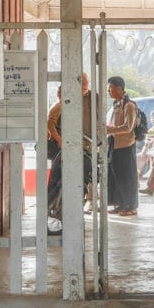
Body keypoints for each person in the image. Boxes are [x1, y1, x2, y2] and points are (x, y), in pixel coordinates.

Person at [46, 73, 99, 224]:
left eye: (86, 83)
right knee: (60, 184)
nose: (85, 87)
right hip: (62, 151)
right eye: (82, 83)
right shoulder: (60, 105)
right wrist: (60, 140)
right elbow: (50, 125)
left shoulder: (81, 102)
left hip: (78, 149)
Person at [105, 76, 139, 217]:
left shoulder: (129, 105)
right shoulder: (116, 104)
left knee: (127, 177)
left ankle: (130, 206)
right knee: (116, 176)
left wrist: (110, 130)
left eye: (111, 88)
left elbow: (128, 127)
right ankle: (120, 204)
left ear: (119, 88)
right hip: (115, 143)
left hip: (125, 145)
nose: (109, 91)